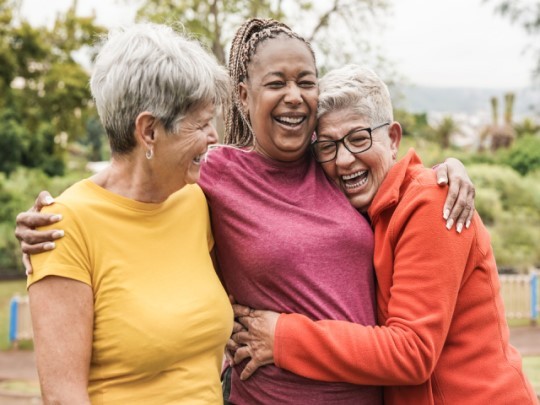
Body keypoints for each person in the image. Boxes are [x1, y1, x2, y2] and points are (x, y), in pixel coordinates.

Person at [16, 19, 476, 405]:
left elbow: (388, 173)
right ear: (242, 95)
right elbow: (129, 189)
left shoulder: (334, 163)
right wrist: (46, 223)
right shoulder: (211, 178)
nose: (294, 96)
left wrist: (446, 172)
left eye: (306, 82)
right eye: (276, 83)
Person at [227, 65, 537, 404]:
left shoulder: (432, 202)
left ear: (392, 139)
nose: (344, 160)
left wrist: (283, 338)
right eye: (328, 147)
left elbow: (412, 352)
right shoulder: (362, 214)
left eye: (359, 139)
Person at [25, 23, 233, 404]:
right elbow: (63, 396)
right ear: (149, 131)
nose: (213, 137)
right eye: (202, 124)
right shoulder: (62, 227)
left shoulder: (196, 200)